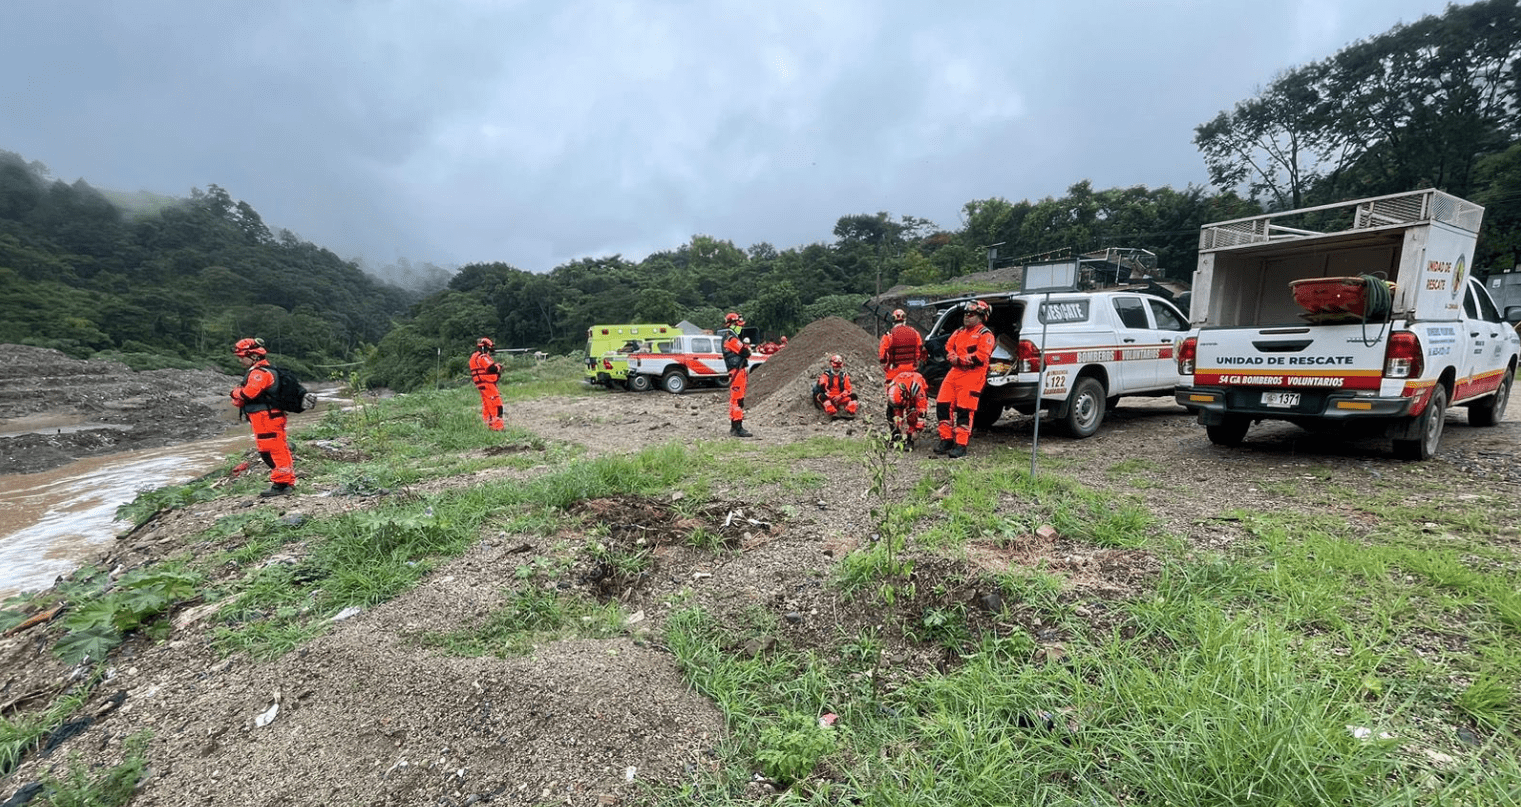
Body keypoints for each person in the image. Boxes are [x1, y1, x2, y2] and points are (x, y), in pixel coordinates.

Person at [230, 337, 296, 497]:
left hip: (266, 419)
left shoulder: (259, 374)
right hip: (268, 417)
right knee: (278, 449)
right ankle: (286, 481)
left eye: (242, 357)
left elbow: (248, 393)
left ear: (253, 356)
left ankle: (281, 484)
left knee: (271, 451)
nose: (241, 361)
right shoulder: (264, 371)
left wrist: (234, 392)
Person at [934, 300, 995, 458]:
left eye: (971, 314)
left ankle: (961, 444)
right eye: (966, 314)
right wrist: (952, 356)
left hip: (973, 375)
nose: (967, 317)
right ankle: (946, 439)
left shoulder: (985, 335)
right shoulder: (959, 332)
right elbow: (948, 346)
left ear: (981, 316)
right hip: (955, 373)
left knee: (964, 409)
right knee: (942, 404)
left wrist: (960, 359)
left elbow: (981, 357)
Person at [721, 312, 753, 437]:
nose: (740, 327)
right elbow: (745, 352)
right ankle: (738, 427)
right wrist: (747, 348)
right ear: (732, 324)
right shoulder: (731, 338)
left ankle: (734, 426)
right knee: (738, 400)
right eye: (738, 324)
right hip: (737, 372)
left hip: (737, 371)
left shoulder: (730, 337)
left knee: (735, 399)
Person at [878, 308, 925, 383]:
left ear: (893, 321)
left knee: (891, 392)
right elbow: (919, 352)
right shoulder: (915, 333)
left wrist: (885, 360)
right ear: (905, 320)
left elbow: (882, 356)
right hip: (911, 370)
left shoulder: (888, 335)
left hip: (894, 372)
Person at [887, 369, 929, 449]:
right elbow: (896, 411)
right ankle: (897, 435)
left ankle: (910, 438)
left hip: (914, 393)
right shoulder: (891, 388)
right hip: (903, 394)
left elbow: (922, 409)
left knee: (912, 413)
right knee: (892, 413)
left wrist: (917, 429)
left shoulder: (916, 388)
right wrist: (900, 426)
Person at [469, 337, 505, 431]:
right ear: (484, 348)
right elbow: (491, 368)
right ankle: (498, 427)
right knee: (496, 405)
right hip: (488, 384)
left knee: (487, 406)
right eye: (489, 350)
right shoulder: (482, 357)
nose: (489, 353)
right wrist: (498, 367)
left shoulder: (473, 357)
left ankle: (488, 427)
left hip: (481, 385)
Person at [812, 354, 859, 419]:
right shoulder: (826, 375)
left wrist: (840, 396)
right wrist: (831, 396)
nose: (838, 366)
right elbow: (823, 387)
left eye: (839, 364)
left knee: (853, 397)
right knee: (822, 397)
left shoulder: (844, 376)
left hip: (840, 397)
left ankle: (849, 412)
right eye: (836, 363)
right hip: (830, 397)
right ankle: (832, 412)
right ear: (831, 363)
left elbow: (848, 389)